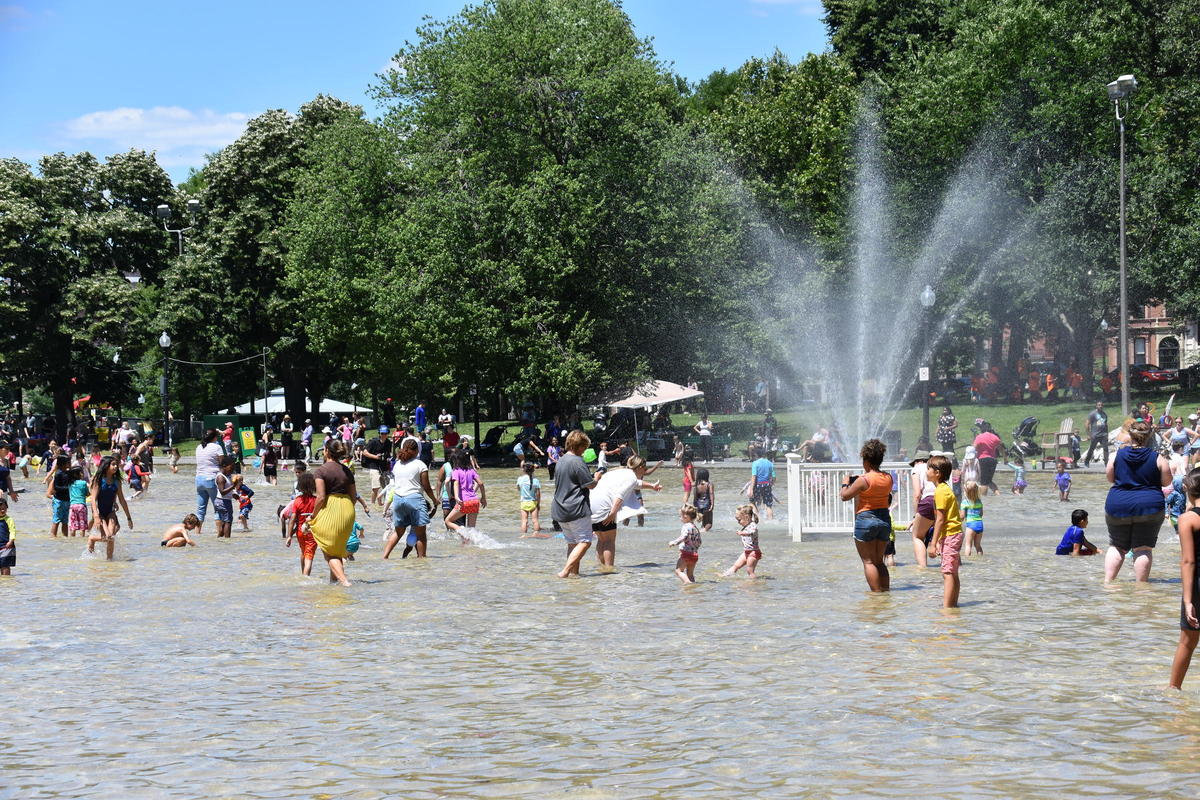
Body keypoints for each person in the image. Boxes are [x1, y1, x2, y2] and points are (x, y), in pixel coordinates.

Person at [1104, 420, 1171, 582]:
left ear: (1130, 435)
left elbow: (1110, 478)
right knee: (1142, 548)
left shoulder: (1116, 456)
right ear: (1148, 436)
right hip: (1149, 507)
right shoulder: (1158, 458)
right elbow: (1167, 482)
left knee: (1117, 546)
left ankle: (1108, 584)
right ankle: (1141, 589)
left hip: (1118, 505)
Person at [306, 440, 365, 586]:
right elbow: (353, 496)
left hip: (331, 508)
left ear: (326, 451)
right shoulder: (347, 471)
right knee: (337, 550)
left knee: (329, 551)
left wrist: (312, 516)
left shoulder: (320, 471)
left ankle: (344, 582)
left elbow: (320, 497)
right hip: (347, 509)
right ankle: (333, 583)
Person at [590, 455, 663, 571]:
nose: (645, 472)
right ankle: (608, 570)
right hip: (604, 506)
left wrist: (652, 486)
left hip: (592, 504)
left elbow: (636, 483)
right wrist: (613, 513)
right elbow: (620, 495)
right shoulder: (630, 477)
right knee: (609, 540)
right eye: (644, 469)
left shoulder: (621, 471)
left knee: (601, 538)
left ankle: (600, 567)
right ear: (639, 467)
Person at [839, 438, 893, 592]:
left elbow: (844, 496)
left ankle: (876, 596)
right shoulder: (888, 477)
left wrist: (845, 483)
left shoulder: (863, 480)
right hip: (884, 519)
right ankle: (885, 593)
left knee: (868, 562)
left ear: (866, 460)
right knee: (879, 561)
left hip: (866, 519)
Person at [553, 430, 600, 578]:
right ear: (579, 446)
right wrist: (597, 477)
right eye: (584, 448)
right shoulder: (578, 461)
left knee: (573, 544)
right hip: (576, 509)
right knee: (585, 542)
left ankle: (574, 575)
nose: (584, 451)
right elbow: (590, 485)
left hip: (560, 508)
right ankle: (566, 571)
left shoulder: (561, 460)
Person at [382, 437, 438, 559]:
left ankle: (385, 556)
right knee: (421, 534)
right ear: (417, 450)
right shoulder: (420, 464)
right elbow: (427, 486)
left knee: (398, 532)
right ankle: (422, 560)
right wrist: (434, 500)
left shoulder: (397, 464)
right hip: (414, 499)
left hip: (398, 500)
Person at [1169, 469, 1200, 689]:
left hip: (1197, 586)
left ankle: (1173, 689)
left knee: (1187, 642)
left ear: (1187, 488)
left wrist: (1188, 601)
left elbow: (1188, 561)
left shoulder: (1187, 519)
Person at [927, 454, 963, 608]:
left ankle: (947, 609)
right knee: (953, 572)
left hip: (949, 534)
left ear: (937, 473)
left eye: (929, 468)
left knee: (947, 573)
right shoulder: (945, 489)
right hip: (955, 533)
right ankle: (953, 606)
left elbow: (940, 519)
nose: (926, 471)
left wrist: (933, 543)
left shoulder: (940, 491)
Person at [87, 456, 133, 560]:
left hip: (110, 512)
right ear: (106, 466)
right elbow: (93, 499)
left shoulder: (116, 481)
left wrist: (129, 518)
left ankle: (109, 562)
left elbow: (122, 500)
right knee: (107, 537)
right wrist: (96, 516)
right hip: (100, 513)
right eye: (113, 464)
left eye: (116, 464)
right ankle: (92, 538)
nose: (116, 466)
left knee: (111, 537)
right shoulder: (98, 480)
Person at [283, 472, 318, 575]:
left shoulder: (297, 501)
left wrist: (289, 536)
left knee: (303, 552)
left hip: (300, 532)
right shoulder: (316, 500)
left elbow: (292, 519)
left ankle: (303, 573)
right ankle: (306, 578)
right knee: (309, 556)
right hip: (312, 532)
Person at [445, 450, 486, 538]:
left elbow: (456, 483)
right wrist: (483, 498)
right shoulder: (471, 470)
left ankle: (463, 532)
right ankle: (468, 548)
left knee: (448, 521)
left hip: (464, 502)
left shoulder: (456, 470)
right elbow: (481, 483)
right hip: (475, 501)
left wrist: (456, 496)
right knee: (471, 529)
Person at [194, 429, 224, 536]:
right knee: (218, 508)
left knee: (201, 509)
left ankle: (197, 533)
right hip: (211, 478)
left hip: (199, 479)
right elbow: (222, 462)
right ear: (215, 437)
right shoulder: (217, 447)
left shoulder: (199, 447)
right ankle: (219, 534)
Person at [908, 450, 934, 568]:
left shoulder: (916, 469)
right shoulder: (934, 468)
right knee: (945, 535)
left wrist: (916, 515)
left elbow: (917, 494)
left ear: (917, 461)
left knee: (917, 536)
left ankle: (923, 569)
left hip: (928, 501)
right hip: (942, 499)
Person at [722, 503, 761, 578]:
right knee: (736, 565)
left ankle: (754, 583)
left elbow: (752, 532)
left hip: (754, 552)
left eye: (739, 520)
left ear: (746, 517)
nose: (738, 522)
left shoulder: (752, 525)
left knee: (750, 570)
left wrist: (743, 533)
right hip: (746, 552)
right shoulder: (746, 526)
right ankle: (725, 575)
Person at [668, 505, 702, 584]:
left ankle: (688, 584)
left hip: (686, 554)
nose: (680, 518)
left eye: (681, 516)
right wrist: (694, 548)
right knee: (690, 575)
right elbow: (699, 541)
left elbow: (684, 536)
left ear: (686, 516)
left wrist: (674, 542)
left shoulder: (686, 526)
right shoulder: (695, 528)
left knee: (678, 571)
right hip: (694, 555)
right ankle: (693, 586)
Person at [362, 425, 393, 506]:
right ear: (379, 433)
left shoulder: (389, 443)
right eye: (382, 433)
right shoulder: (373, 442)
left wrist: (389, 460)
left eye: (385, 433)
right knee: (375, 487)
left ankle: (385, 503)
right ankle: (372, 504)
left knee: (387, 486)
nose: (384, 435)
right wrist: (375, 457)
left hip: (384, 466)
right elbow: (365, 452)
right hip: (374, 466)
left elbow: (388, 454)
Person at [45, 454, 71, 538]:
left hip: (67, 500)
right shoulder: (58, 474)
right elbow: (56, 487)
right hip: (59, 500)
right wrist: (68, 488)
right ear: (62, 464)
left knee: (65, 521)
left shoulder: (67, 473)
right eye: (68, 462)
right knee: (56, 520)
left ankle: (65, 537)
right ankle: (53, 536)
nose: (70, 464)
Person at [972, 422, 1002, 495]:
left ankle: (984, 501)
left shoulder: (979, 437)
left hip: (983, 460)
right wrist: (1005, 459)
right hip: (993, 460)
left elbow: (973, 449)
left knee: (983, 482)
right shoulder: (995, 437)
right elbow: (1001, 448)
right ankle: (999, 496)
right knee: (988, 481)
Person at [214, 455, 239, 539]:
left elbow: (226, 491)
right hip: (223, 501)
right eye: (231, 467)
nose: (232, 469)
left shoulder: (226, 476)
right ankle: (227, 540)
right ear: (224, 466)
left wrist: (234, 494)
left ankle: (219, 538)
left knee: (224, 522)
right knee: (228, 521)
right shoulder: (221, 477)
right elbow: (222, 492)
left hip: (221, 501)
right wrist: (233, 486)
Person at [748, 446, 776, 520]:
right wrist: (771, 484)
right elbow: (773, 477)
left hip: (757, 485)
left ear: (757, 455)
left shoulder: (755, 463)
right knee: (768, 505)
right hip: (767, 485)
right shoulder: (770, 463)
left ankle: (758, 519)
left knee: (752, 502)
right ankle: (771, 521)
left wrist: (751, 489)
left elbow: (754, 477)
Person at [517, 462, 544, 538]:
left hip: (523, 502)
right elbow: (538, 494)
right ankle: (536, 533)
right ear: (533, 470)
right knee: (535, 520)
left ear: (524, 470)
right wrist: (538, 504)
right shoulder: (536, 480)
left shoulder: (520, 479)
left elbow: (518, 489)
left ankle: (523, 535)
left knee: (524, 521)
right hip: (533, 502)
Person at [1084, 401, 1110, 467]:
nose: (1100, 406)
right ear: (1096, 406)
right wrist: (1089, 434)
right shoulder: (1092, 414)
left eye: (1101, 405)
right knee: (1092, 448)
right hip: (1095, 435)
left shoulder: (1104, 414)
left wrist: (1107, 434)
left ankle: (1106, 464)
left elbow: (1105, 424)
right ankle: (1087, 461)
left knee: (1106, 449)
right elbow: (1087, 424)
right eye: (1099, 405)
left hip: (1103, 434)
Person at [689, 467, 714, 534]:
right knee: (709, 522)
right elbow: (711, 494)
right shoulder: (709, 484)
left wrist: (694, 505)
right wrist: (712, 504)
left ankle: (700, 529)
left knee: (703, 520)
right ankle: (703, 531)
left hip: (698, 504)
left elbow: (695, 495)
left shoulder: (696, 484)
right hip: (707, 504)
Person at [962, 480, 984, 556]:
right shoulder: (979, 501)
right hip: (980, 524)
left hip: (971, 525)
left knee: (968, 545)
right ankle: (981, 558)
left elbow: (962, 516)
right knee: (978, 545)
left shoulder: (965, 502)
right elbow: (981, 514)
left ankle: (967, 562)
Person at [67, 466, 89, 538]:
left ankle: (72, 539)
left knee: (73, 526)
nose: (83, 474)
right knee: (82, 526)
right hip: (81, 506)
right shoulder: (83, 483)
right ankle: (82, 538)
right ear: (78, 474)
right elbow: (87, 494)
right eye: (82, 472)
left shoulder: (70, 483)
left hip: (72, 506)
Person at [0, 497, 14, 575]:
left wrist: (11, 541)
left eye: (4, 508)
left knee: (5, 565)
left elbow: (12, 531)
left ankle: (7, 580)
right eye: (0, 509)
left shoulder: (9, 520)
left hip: (7, 546)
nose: (3, 510)